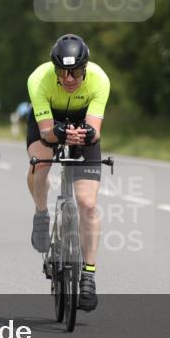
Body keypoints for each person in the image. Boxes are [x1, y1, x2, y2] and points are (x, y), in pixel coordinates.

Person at [26, 34, 110, 312]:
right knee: (40, 163)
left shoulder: (99, 79)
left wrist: (85, 134)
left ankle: (88, 275)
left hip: (82, 124)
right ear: (55, 70)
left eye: (75, 71)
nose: (69, 78)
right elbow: (45, 133)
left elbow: (95, 131)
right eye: (63, 72)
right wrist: (59, 133)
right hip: (49, 123)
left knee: (87, 204)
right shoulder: (38, 79)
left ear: (85, 68)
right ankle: (41, 213)